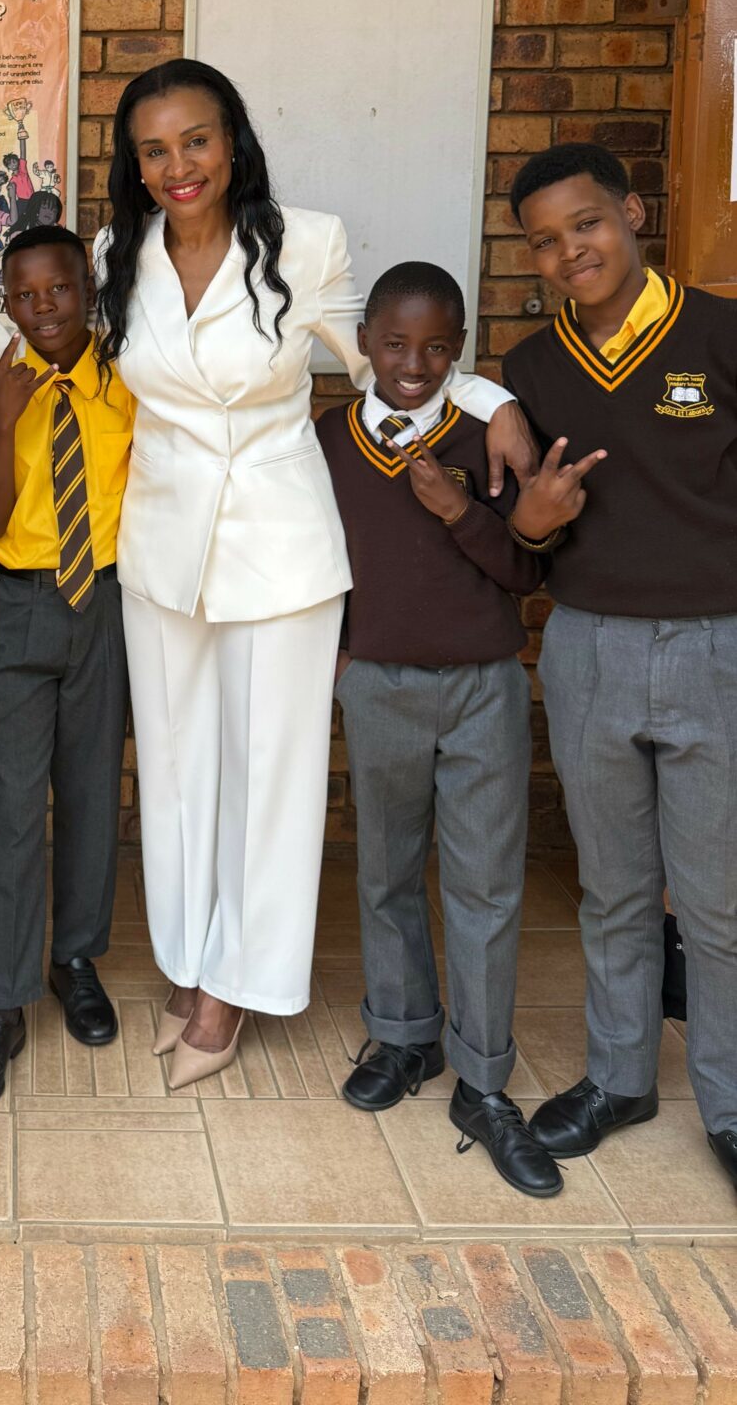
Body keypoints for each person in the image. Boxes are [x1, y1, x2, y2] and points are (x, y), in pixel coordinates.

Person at [96, 59, 534, 1092]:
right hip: (161, 545)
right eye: (154, 149)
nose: (177, 166)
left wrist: (489, 394)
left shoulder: (308, 239)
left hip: (281, 545)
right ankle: (193, 955)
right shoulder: (121, 248)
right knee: (178, 767)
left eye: (195, 140)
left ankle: (235, 985)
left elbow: (393, 356)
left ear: (233, 139)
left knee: (267, 775)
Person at [503, 141, 737, 1200]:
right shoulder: (535, 368)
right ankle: (621, 1076)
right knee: (615, 889)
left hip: (715, 645)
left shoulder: (723, 333)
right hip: (588, 642)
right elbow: (526, 531)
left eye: (586, 223)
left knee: (721, 899)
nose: (570, 251)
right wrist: (532, 522)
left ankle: (729, 1105)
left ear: (633, 211)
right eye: (546, 240)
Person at [316, 261, 556, 1196]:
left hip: (482, 686)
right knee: (384, 869)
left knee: (486, 884)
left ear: (459, 350)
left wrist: (459, 509)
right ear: (365, 343)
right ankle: (404, 1035)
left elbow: (526, 574)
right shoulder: (332, 441)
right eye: (394, 343)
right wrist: (341, 652)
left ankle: (484, 1078)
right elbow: (320, 557)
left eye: (435, 346)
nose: (413, 362)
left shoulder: (488, 435)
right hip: (377, 686)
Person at [0, 225, 135, 1111]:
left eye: (57, 290)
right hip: (21, 601)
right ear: (8, 305)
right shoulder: (0, 387)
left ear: (86, 290)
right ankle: (2, 1001)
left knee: (94, 788)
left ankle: (75, 958)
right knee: (16, 805)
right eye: (23, 297)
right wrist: (8, 420)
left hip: (103, 600)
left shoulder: (130, 384)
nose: (43, 308)